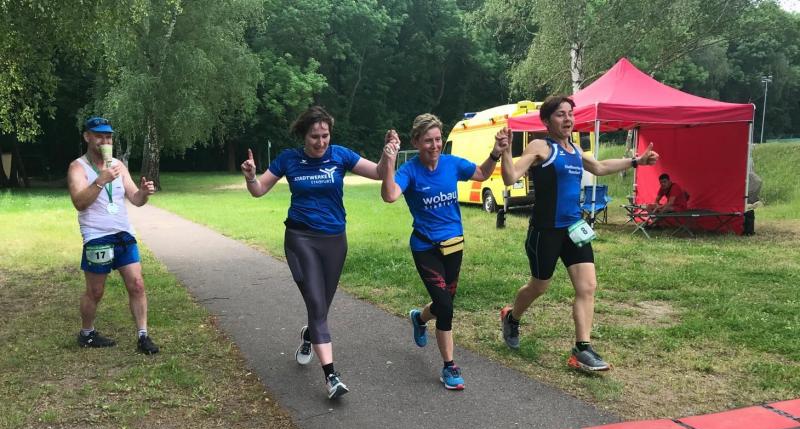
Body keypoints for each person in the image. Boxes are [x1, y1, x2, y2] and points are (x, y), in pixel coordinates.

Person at [240, 106, 392, 400]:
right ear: (303, 135)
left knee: (321, 307)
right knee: (316, 303)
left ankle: (310, 335)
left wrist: (388, 154)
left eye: (325, 136)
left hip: (335, 240)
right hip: (300, 240)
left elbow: (378, 173)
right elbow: (258, 190)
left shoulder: (340, 155)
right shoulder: (289, 159)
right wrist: (250, 177)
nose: (321, 142)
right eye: (314, 137)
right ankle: (331, 376)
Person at [498, 96, 658, 371]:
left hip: (573, 229)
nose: (568, 119)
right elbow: (510, 178)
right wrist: (504, 152)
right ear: (546, 121)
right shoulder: (540, 146)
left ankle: (582, 349)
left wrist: (636, 161)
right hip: (545, 231)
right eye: (560, 114)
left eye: (570, 114)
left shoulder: (574, 149)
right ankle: (511, 317)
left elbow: (599, 167)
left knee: (587, 287)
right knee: (539, 286)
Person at [381, 113, 507, 390]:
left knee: (443, 303)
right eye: (428, 140)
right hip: (425, 247)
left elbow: (482, 173)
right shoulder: (410, 171)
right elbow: (390, 195)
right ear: (416, 142)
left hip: (454, 245)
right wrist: (389, 161)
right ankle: (450, 366)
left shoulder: (451, 164)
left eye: (438, 139)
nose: (435, 145)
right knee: (447, 308)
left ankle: (419, 318)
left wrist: (496, 153)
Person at [67, 116, 159, 354]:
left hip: (124, 234)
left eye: (108, 137)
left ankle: (143, 336)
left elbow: (135, 199)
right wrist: (100, 181)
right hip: (97, 236)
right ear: (87, 137)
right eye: (99, 136)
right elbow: (79, 203)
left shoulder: (118, 165)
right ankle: (87, 334)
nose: (104, 141)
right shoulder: (78, 167)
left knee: (137, 284)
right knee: (95, 292)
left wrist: (144, 193)